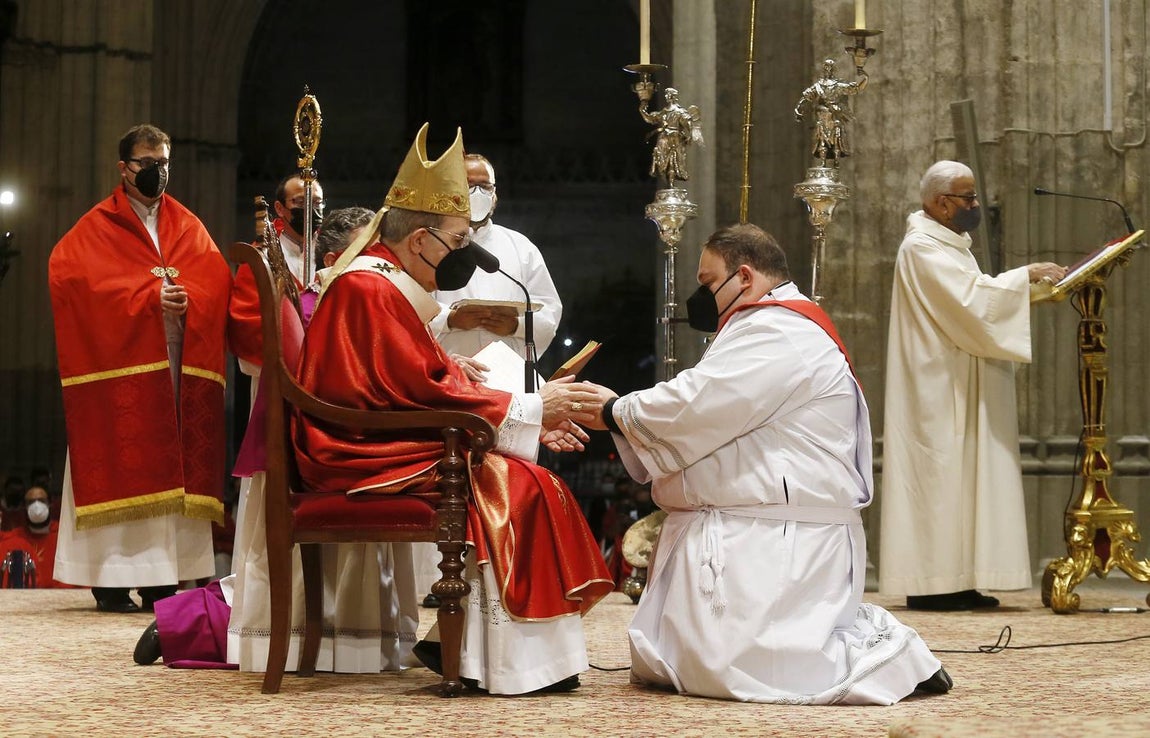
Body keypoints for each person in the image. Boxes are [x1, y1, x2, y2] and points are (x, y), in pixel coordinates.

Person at [295, 123, 613, 694]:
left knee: (525, 479)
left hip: (384, 437)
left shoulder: (382, 282)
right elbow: (416, 391)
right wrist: (530, 410)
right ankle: (505, 660)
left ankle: (479, 650)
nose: (462, 254)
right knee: (517, 486)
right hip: (358, 450)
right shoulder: (369, 287)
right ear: (421, 239)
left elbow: (417, 380)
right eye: (458, 240)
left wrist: (519, 411)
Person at [579, 223, 949, 704]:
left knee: (742, 671)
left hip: (777, 536)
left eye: (708, 281)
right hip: (757, 527)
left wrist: (614, 411)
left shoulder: (779, 330)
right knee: (679, 664)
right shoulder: (765, 326)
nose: (701, 295)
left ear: (745, 277)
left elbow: (699, 404)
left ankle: (893, 657)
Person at [133, 206, 386, 670]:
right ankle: (190, 623)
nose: (379, 261)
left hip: (338, 441)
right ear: (334, 259)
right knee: (270, 566)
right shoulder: (320, 303)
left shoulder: (355, 297)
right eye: (367, 252)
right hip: (316, 447)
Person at [48, 123, 230, 612]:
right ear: (123, 168)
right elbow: (70, 278)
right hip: (120, 370)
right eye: (147, 163)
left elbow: (215, 279)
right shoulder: (96, 227)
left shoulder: (187, 225)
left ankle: (162, 580)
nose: (157, 172)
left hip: (176, 367)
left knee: (173, 467)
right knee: (123, 461)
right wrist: (147, 299)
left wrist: (191, 300)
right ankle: (110, 580)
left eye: (164, 163)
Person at [879, 160, 1067, 611]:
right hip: (936, 384)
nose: (976, 204)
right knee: (939, 480)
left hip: (958, 375)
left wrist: (1035, 289)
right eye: (969, 197)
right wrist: (1025, 275)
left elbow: (976, 294)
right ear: (942, 203)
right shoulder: (920, 247)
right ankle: (932, 585)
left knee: (961, 482)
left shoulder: (948, 243)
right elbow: (969, 301)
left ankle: (960, 579)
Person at [429, 153, 563, 362]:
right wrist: (451, 319)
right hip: (450, 368)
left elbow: (549, 311)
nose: (478, 193)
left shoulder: (520, 246)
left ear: (494, 194)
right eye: (468, 185)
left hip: (508, 370)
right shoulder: (430, 243)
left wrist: (516, 325)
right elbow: (411, 308)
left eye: (485, 186)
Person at [793, 58, 867, 164]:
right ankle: (823, 162)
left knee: (837, 139)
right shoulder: (818, 86)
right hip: (822, 117)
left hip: (834, 116)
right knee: (821, 140)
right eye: (826, 67)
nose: (828, 69)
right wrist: (798, 108)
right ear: (824, 69)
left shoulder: (837, 85)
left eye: (830, 67)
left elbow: (855, 89)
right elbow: (807, 97)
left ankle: (836, 161)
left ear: (833, 70)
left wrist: (865, 78)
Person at [0, 486, 69, 588]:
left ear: (49, 503)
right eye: (31, 502)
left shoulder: (63, 535)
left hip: (59, 593)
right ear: (24, 506)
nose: (37, 506)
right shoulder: (16, 537)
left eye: (41, 500)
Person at [639, 87, 704, 186]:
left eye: (669, 94)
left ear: (673, 97)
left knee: (673, 162)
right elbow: (651, 119)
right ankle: (668, 184)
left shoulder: (679, 112)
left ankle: (671, 184)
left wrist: (690, 135)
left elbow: (689, 125)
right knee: (662, 163)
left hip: (675, 140)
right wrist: (642, 110)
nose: (667, 96)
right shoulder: (664, 112)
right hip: (663, 140)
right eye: (666, 94)